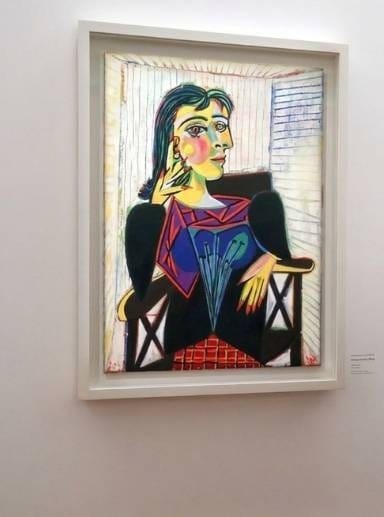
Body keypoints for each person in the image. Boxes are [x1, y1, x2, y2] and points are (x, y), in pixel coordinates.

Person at [118, 83, 298, 369]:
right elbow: (142, 290)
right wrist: (158, 200)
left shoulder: (253, 209)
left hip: (246, 344)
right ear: (172, 143)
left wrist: (269, 260)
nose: (221, 142)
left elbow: (285, 254)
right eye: (197, 129)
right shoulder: (156, 214)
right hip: (186, 346)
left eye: (220, 125)